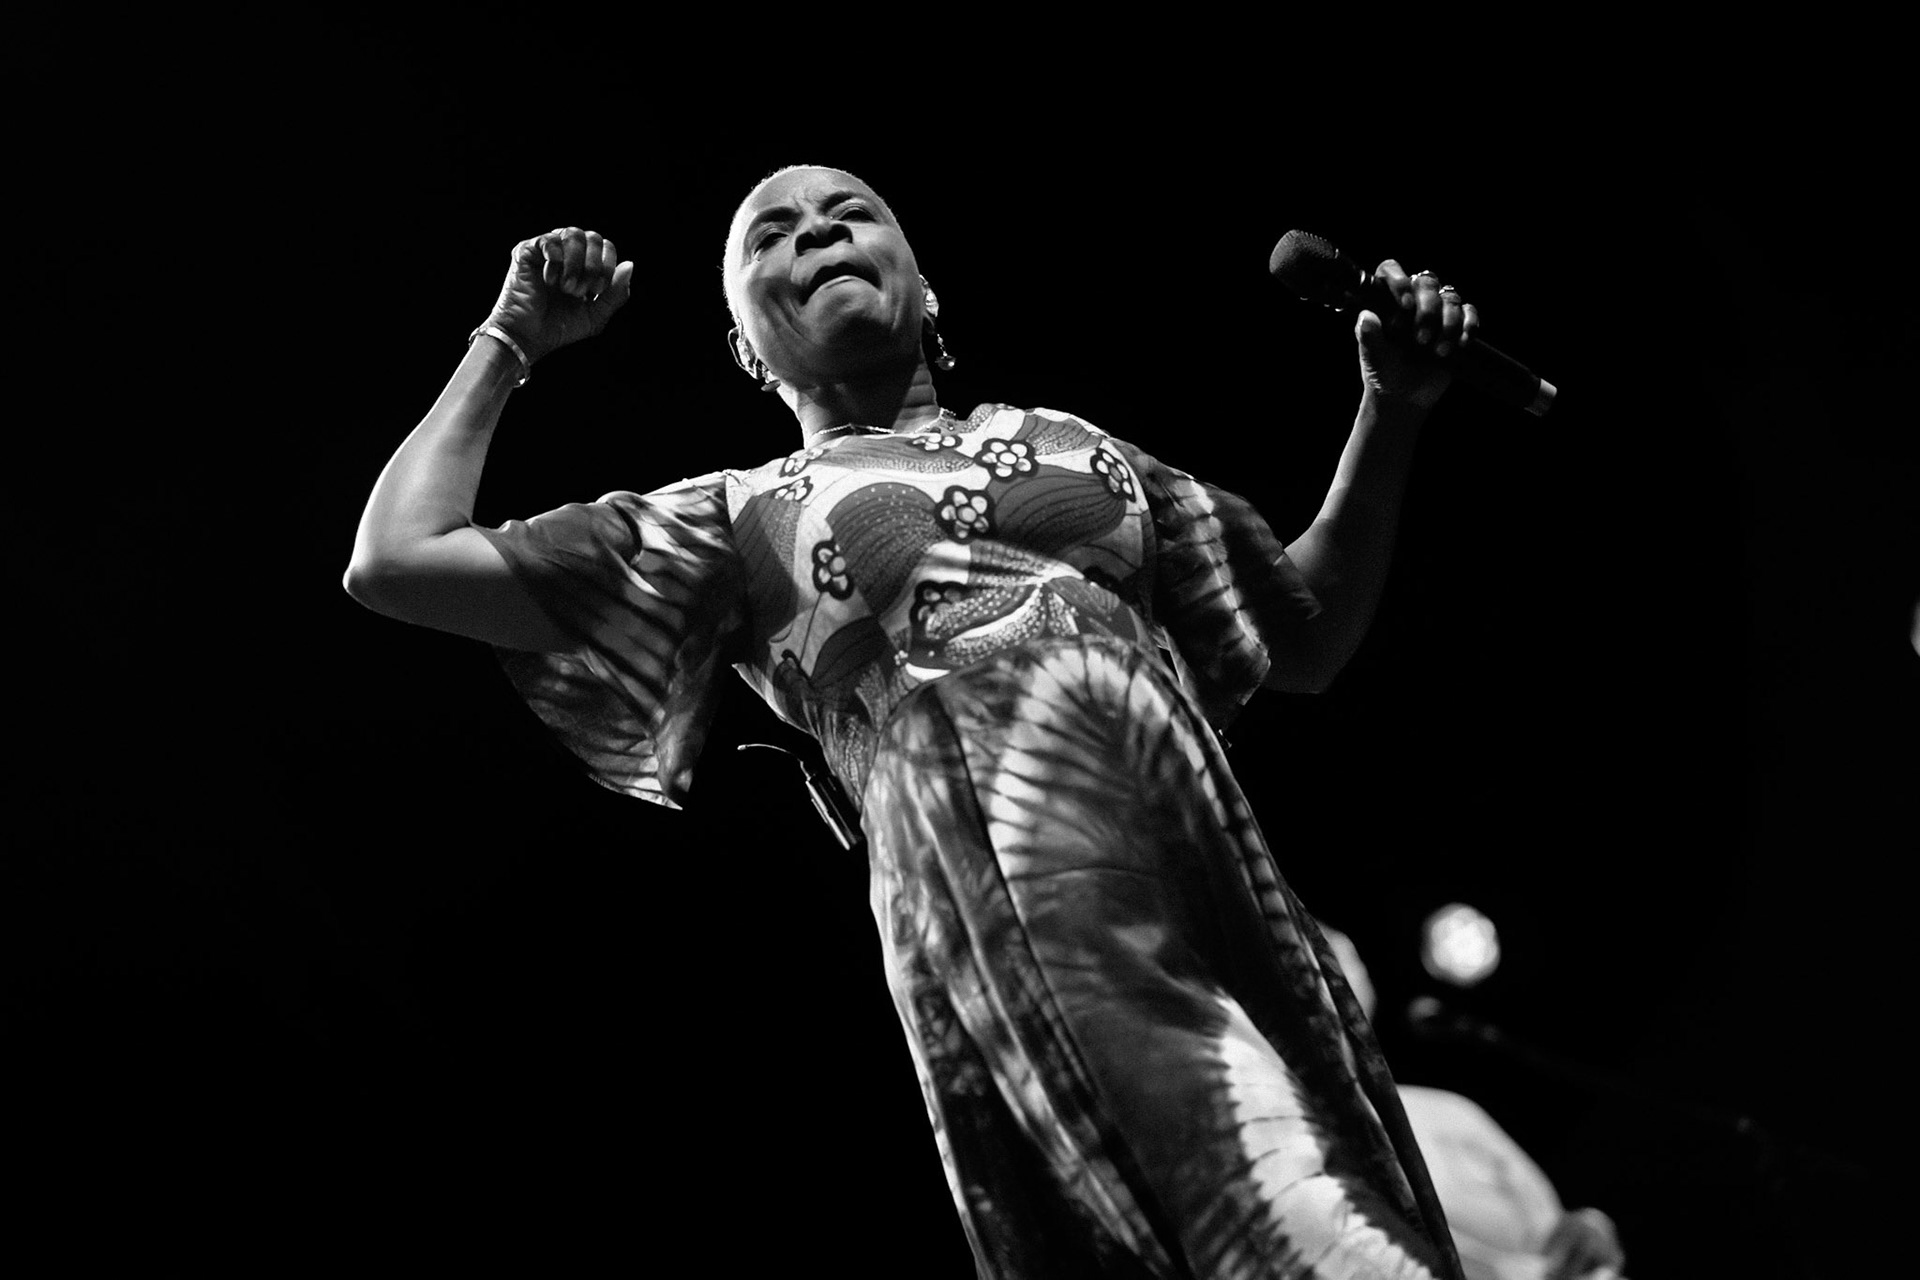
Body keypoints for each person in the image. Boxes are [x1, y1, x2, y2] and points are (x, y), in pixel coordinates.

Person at [346, 164, 1487, 1278]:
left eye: (850, 213)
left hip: (1199, 832)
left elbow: (1307, 634)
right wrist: (509, 339)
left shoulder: (1079, 443)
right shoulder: (731, 518)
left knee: (1327, 1129)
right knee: (1236, 1168)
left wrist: (1392, 405)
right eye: (773, 236)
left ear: (924, 286)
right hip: (999, 852)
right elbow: (401, 559)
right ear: (748, 343)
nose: (819, 235)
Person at [1320, 928, 1630, 1280]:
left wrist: (1589, 1229)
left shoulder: (1448, 1112)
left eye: (1335, 981)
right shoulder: (1297, 1140)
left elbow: (1567, 1236)